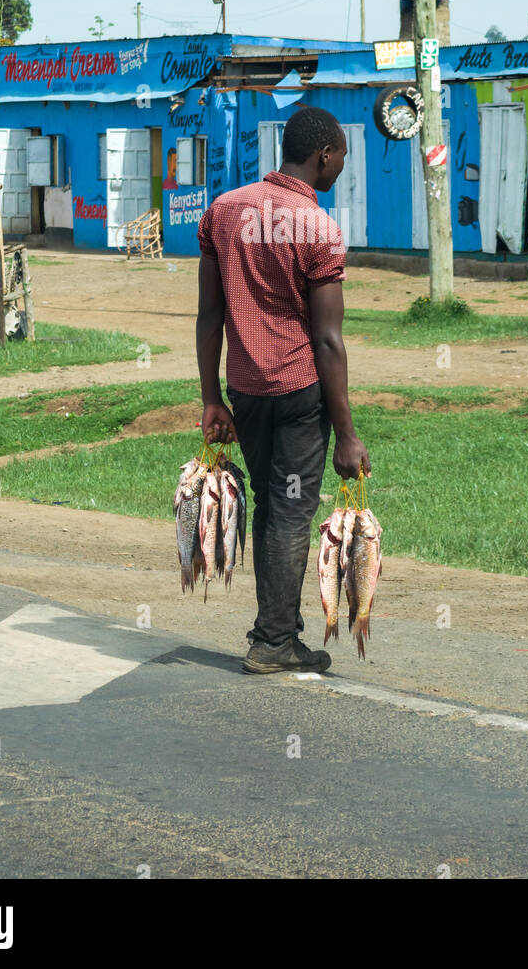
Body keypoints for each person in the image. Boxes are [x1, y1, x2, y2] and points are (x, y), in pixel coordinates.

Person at [196, 106, 370, 675]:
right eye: (341, 156)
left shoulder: (223, 212)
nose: (342, 166)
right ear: (324, 154)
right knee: (292, 512)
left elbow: (208, 316)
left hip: (245, 390)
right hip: (298, 392)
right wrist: (346, 434)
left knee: (273, 509)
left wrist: (211, 399)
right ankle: (272, 640)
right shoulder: (319, 228)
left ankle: (277, 631)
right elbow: (328, 340)